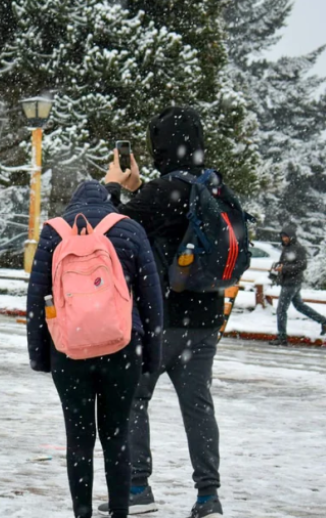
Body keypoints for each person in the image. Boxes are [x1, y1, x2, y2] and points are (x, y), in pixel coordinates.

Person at [101, 107, 226, 518]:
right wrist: (142, 189)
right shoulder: (213, 185)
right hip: (206, 319)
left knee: (133, 399)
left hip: (161, 319)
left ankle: (138, 487)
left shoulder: (162, 192)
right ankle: (208, 496)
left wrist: (114, 186)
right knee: (198, 406)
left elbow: (109, 227)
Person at [27, 181, 163, 518]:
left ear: (73, 203)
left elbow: (36, 299)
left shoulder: (53, 232)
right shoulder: (130, 229)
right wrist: (151, 358)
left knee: (79, 442)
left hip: (69, 351)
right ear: (111, 202)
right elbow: (152, 300)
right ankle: (119, 512)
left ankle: (83, 514)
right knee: (117, 439)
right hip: (122, 347)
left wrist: (41, 356)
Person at [269, 224, 326, 345]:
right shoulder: (287, 247)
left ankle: (282, 337)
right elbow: (287, 263)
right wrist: (277, 267)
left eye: (286, 237)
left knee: (281, 310)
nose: (284, 239)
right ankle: (323, 321)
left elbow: (302, 265)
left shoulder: (297, 248)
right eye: (282, 237)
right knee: (299, 306)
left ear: (292, 236)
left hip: (292, 283)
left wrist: (283, 268)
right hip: (290, 282)